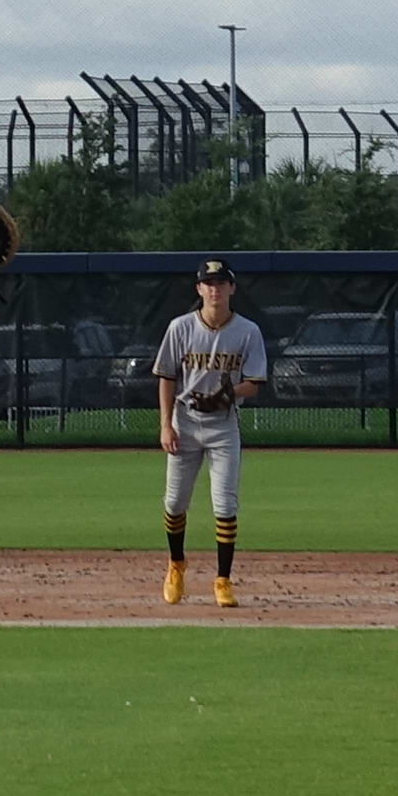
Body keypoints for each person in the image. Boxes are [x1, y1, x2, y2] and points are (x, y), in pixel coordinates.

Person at [147, 260, 267, 608]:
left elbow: (255, 383)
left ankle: (223, 580)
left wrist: (230, 393)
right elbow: (167, 377)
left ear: (232, 288)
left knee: (225, 503)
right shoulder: (181, 328)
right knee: (174, 502)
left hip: (223, 425)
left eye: (220, 283)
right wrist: (165, 425)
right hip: (185, 421)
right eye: (208, 283)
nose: (214, 289)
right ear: (198, 290)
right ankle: (176, 565)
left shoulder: (247, 331)